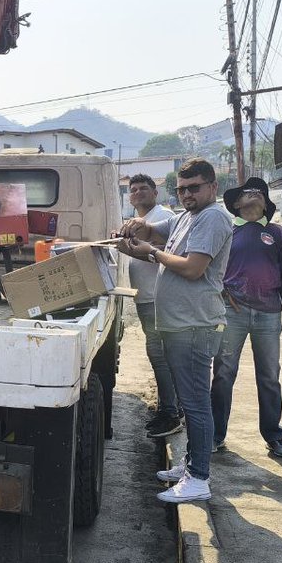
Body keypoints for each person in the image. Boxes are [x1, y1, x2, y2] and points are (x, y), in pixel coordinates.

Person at [116, 158, 232, 503]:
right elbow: (153, 231)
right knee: (190, 400)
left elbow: (194, 268)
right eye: (181, 189)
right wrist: (136, 228)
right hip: (180, 323)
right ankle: (191, 464)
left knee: (195, 405)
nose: (187, 194)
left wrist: (151, 253)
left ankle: (199, 479)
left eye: (194, 188)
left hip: (194, 324)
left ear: (212, 187)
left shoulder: (213, 216)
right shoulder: (185, 217)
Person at [210, 177, 282, 459]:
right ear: (236, 204)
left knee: (270, 376)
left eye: (260, 192)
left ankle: (274, 437)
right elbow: (208, 265)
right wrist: (222, 291)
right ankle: (215, 435)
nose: (255, 194)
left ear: (266, 203)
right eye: (247, 192)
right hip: (231, 314)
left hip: (269, 314)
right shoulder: (225, 230)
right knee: (223, 374)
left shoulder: (277, 233)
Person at [125, 174, 182, 438]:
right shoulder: (133, 221)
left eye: (143, 189)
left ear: (155, 192)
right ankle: (168, 407)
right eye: (133, 190)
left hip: (159, 297)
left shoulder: (163, 217)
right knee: (158, 355)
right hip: (144, 297)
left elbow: (166, 255)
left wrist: (130, 249)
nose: (138, 193)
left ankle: (171, 413)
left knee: (161, 356)